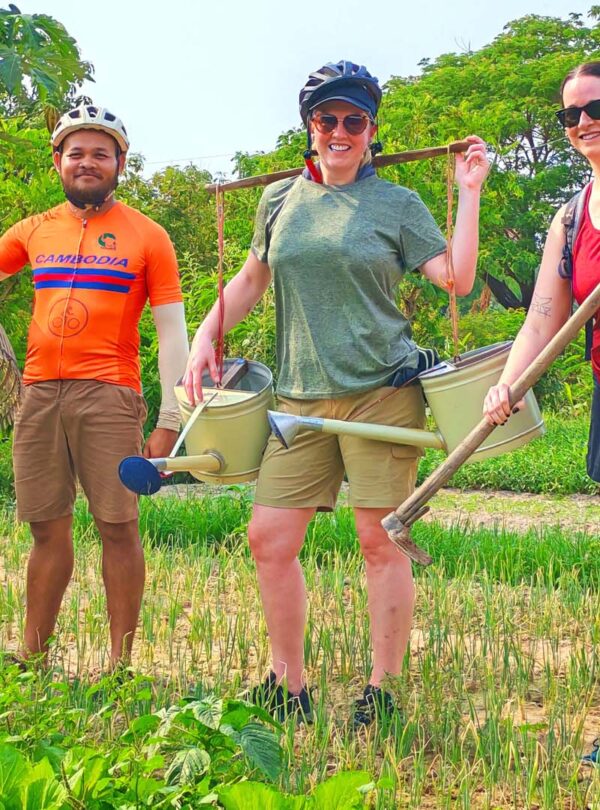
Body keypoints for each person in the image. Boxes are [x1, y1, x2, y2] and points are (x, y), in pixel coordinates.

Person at [184, 60, 489, 725]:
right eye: (328, 120)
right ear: (310, 128)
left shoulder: (398, 204)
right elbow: (248, 280)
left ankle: (381, 694)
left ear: (373, 130)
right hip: (297, 399)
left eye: (354, 120)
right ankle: (288, 688)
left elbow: (457, 279)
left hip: (382, 390)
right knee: (268, 538)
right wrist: (206, 336)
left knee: (379, 542)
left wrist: (468, 191)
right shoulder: (279, 200)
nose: (340, 131)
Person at [0, 105, 189, 670]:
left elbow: (174, 334)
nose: (87, 162)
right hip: (37, 395)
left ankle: (120, 667)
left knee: (118, 527)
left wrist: (171, 420)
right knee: (45, 529)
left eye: (100, 153)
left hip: (108, 395)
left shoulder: (148, 236)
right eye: (75, 152)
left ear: (120, 164)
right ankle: (32, 660)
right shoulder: (32, 231)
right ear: (58, 160)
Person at [483, 60, 600, 763]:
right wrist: (508, 381)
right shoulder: (572, 213)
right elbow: (542, 318)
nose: (584, 122)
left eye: (596, 107)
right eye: (571, 115)